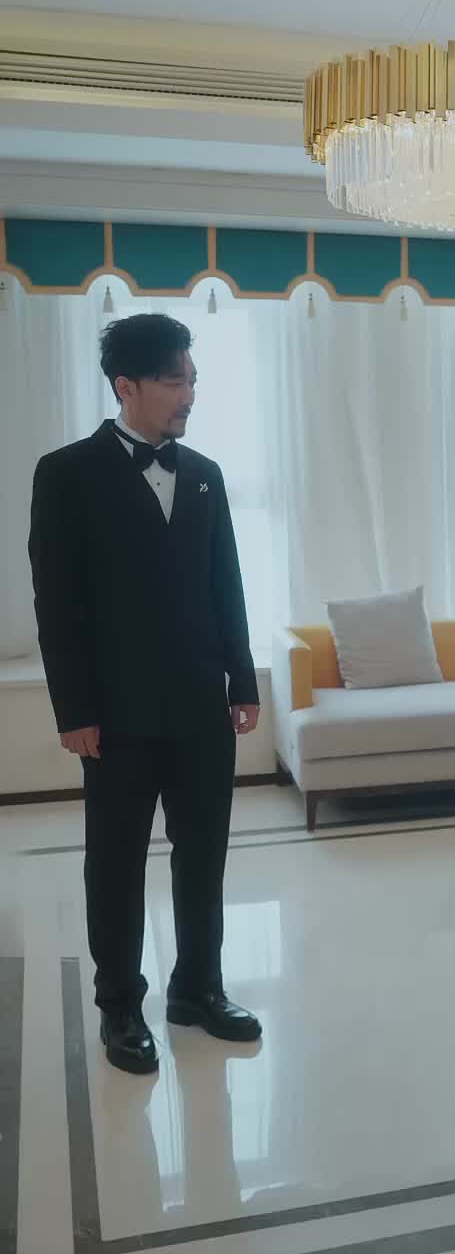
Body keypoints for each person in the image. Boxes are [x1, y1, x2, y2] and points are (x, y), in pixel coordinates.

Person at [29, 312, 263, 1075]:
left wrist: (241, 680)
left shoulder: (205, 474)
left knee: (203, 857)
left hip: (201, 708)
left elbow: (226, 584)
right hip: (117, 715)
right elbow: (57, 604)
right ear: (126, 386)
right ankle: (120, 1006)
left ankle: (198, 989)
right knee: (116, 863)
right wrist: (75, 711)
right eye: (173, 380)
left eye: (192, 379)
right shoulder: (66, 474)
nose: (189, 393)